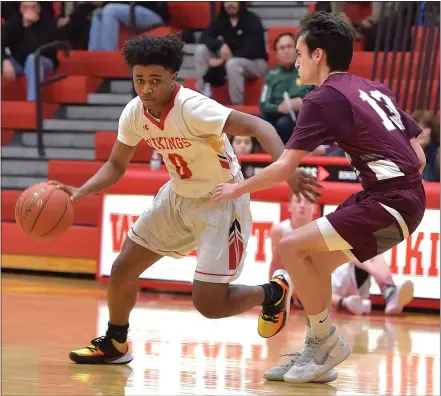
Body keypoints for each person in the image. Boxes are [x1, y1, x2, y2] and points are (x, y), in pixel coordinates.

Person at [52, 34, 318, 364]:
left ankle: (273, 293)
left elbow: (261, 126)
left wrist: (288, 170)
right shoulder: (135, 112)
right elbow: (116, 164)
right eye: (139, 80)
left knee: (209, 304)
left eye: (155, 80)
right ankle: (116, 343)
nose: (146, 88)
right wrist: (79, 192)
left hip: (221, 200)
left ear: (173, 77)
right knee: (123, 268)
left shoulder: (193, 108)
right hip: (177, 196)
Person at [213, 12, 427, 384]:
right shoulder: (374, 88)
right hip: (405, 200)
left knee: (292, 245)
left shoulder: (322, 98)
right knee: (312, 261)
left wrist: (235, 188)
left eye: (298, 52)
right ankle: (318, 350)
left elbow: (283, 168)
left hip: (388, 201)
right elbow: (420, 158)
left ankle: (326, 341)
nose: (295, 61)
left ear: (318, 54)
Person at [195, 2, 267, 104]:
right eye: (226, 1)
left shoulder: (252, 20)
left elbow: (252, 50)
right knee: (201, 50)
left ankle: (237, 106)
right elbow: (204, 37)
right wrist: (220, 45)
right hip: (230, 59)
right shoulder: (221, 19)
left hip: (255, 63)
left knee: (232, 63)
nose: (229, 4)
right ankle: (203, 98)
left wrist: (222, 60)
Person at [260, 32, 315, 144]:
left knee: (283, 123)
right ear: (277, 54)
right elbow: (263, 104)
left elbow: (321, 97)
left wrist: (303, 102)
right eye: (281, 48)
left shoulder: (309, 70)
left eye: (289, 46)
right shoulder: (272, 74)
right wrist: (279, 108)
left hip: (301, 115)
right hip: (277, 113)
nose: (286, 50)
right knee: (255, 121)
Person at [1, 1, 58, 101]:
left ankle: (33, 104)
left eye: (33, 7)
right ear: (20, 9)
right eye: (25, 7)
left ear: (39, 9)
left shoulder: (48, 23)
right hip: (19, 62)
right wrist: (4, 60)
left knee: (32, 59)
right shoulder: (14, 21)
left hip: (44, 62)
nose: (29, 11)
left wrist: (28, 27)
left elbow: (35, 50)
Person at [88, 2, 170, 51]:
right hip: (132, 10)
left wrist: (105, 2)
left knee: (110, 10)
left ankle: (108, 54)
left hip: (154, 14)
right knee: (98, 13)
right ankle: (94, 55)